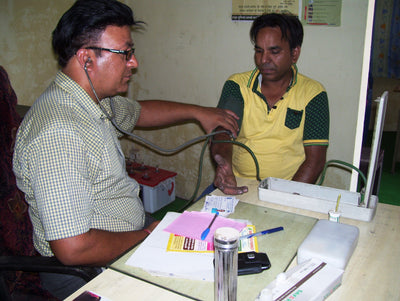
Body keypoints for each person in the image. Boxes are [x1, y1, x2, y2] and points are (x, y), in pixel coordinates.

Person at [12, 0, 239, 298]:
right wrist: (146, 236)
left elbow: (139, 112)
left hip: (127, 233)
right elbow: (74, 248)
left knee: (217, 248)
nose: (134, 63)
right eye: (126, 53)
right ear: (86, 59)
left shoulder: (93, 100)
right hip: (86, 270)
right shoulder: (59, 133)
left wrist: (199, 112)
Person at [211, 13, 329, 195]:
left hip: (290, 189)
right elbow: (222, 136)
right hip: (239, 183)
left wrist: (283, 198)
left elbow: (315, 162)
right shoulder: (237, 86)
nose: (263, 60)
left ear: (294, 53)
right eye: (259, 51)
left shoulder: (313, 94)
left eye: (274, 52)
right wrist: (225, 165)